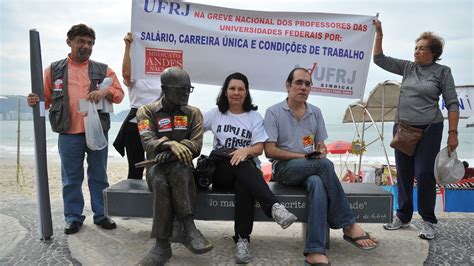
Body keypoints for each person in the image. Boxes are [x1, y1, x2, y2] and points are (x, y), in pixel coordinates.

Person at [264, 68, 379, 265]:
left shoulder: (315, 112)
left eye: (307, 84)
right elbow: (270, 151)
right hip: (284, 169)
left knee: (317, 182)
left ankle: (314, 250)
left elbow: (320, 145)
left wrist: (321, 150)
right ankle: (348, 224)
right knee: (324, 166)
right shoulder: (273, 112)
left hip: (311, 169)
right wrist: (303, 156)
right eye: (299, 83)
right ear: (288, 86)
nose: (303, 87)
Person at [27, 24, 124, 234]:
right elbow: (45, 100)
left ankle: (102, 214)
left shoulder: (103, 69)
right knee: (71, 178)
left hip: (97, 130)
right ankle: (73, 217)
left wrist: (104, 91)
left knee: (99, 175)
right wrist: (34, 100)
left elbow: (119, 94)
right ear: (69, 42)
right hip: (68, 132)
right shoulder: (54, 70)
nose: (86, 46)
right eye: (81, 41)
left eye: (90, 43)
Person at [373, 19, 459, 240]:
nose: (416, 52)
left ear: (433, 52)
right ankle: (403, 216)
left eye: (422, 48)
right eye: (416, 48)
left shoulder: (443, 72)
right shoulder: (408, 68)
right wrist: (379, 34)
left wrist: (453, 133)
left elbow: (452, 103)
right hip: (403, 128)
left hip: (430, 128)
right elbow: (379, 59)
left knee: (424, 174)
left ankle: (429, 221)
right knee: (404, 173)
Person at [203, 72, 297, 264]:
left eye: (240, 89)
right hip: (221, 173)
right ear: (225, 91)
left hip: (244, 173)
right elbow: (193, 127)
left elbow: (259, 147)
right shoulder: (214, 114)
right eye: (232, 88)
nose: (236, 92)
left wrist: (245, 150)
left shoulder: (254, 116)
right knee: (239, 165)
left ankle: (242, 240)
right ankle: (274, 208)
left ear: (246, 93)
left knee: (243, 181)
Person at [136, 67, 212, 265]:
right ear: (164, 89)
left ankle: (164, 243)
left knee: (178, 169)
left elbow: (195, 146)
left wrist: (171, 152)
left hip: (183, 168)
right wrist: (170, 143)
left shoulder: (193, 113)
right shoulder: (146, 112)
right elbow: (147, 141)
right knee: (160, 179)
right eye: (181, 89)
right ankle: (185, 232)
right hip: (155, 169)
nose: (186, 93)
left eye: (188, 89)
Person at [113, 32, 162, 179]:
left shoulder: (163, 76)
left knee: (156, 168)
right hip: (136, 123)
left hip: (158, 122)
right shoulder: (136, 75)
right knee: (135, 168)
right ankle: (134, 200)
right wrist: (128, 46)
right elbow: (126, 75)